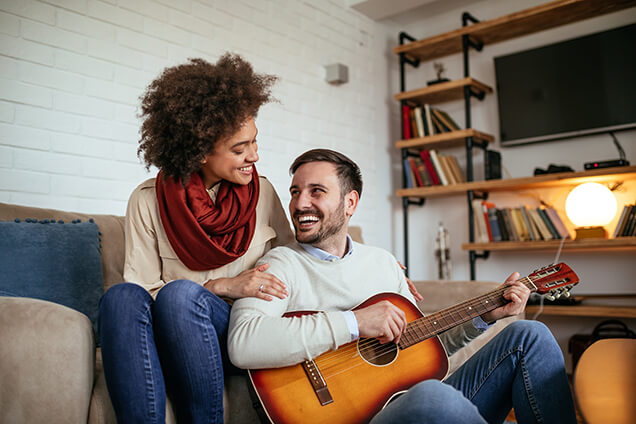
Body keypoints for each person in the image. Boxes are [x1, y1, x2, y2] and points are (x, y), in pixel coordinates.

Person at [228, 149, 577, 423]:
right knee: (432, 396)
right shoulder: (279, 264)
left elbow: (424, 347)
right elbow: (244, 344)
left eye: (316, 191)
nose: (300, 203)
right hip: (346, 414)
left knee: (531, 337)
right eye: (295, 192)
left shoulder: (382, 263)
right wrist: (355, 322)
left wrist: (486, 316)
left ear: (350, 203)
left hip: (414, 407)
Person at [98, 54, 294, 424]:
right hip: (175, 331)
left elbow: (299, 260)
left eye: (254, 142)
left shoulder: (263, 194)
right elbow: (144, 291)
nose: (255, 155)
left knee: (180, 294)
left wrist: (368, 268)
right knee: (119, 297)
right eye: (240, 148)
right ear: (200, 151)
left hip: (238, 330)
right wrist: (221, 284)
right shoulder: (147, 200)